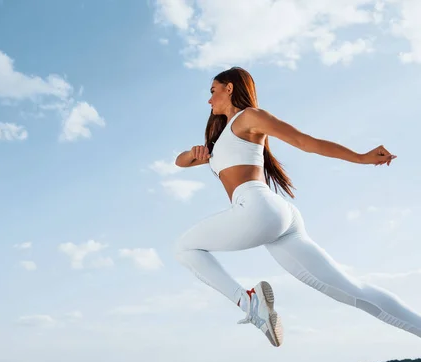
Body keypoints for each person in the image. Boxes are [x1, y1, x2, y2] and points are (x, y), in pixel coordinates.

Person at [173, 66, 421, 347]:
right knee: (351, 291)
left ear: (229, 88)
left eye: (213, 91)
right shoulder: (221, 142)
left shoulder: (249, 118)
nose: (209, 100)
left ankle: (249, 303)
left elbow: (304, 142)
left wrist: (361, 158)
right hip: (276, 217)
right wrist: (195, 153)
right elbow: (180, 161)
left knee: (184, 247)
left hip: (258, 209)